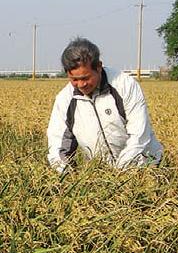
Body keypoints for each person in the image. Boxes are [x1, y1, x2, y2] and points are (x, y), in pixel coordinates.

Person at [47, 37, 163, 173]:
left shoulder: (124, 85)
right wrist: (68, 176)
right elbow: (58, 146)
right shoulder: (65, 99)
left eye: (85, 78)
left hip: (144, 166)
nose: (81, 85)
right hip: (102, 172)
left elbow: (139, 135)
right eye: (74, 79)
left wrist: (121, 173)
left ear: (99, 67)